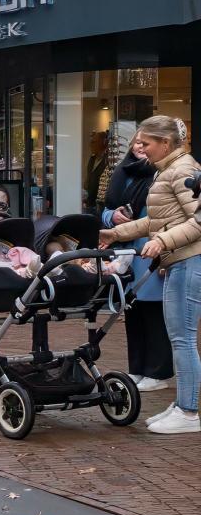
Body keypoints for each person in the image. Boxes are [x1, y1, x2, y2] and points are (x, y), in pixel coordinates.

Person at [101, 116, 201, 434]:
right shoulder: (168, 170)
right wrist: (116, 233)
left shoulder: (182, 170)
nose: (140, 148)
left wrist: (162, 241)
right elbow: (155, 221)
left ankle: (188, 412)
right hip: (180, 260)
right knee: (180, 338)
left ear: (165, 143)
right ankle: (184, 404)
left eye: (146, 143)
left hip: (188, 260)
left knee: (183, 339)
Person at [100, 140, 174, 393]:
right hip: (125, 253)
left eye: (147, 142)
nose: (141, 146)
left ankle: (158, 372)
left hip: (152, 250)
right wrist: (112, 217)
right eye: (137, 141)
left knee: (155, 313)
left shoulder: (164, 174)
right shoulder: (123, 173)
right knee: (133, 311)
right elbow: (106, 210)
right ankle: (138, 368)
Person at [85, 131, 109, 213]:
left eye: (93, 142)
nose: (90, 145)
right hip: (90, 202)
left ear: (103, 142)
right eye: (91, 142)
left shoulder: (108, 160)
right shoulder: (92, 159)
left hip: (102, 203)